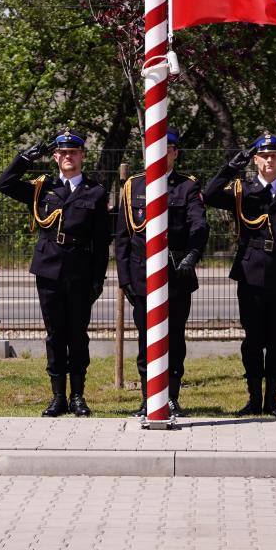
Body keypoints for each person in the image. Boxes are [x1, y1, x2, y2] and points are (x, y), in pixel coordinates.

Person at [0, 131, 111, 416]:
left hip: (80, 271)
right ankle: (58, 396)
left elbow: (101, 241)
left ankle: (79, 396)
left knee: (78, 335)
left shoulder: (95, 192)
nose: (68, 157)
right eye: (62, 152)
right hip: (49, 269)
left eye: (74, 152)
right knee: (55, 334)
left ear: (83, 155)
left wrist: (98, 278)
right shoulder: (42, 188)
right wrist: (25, 157)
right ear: (55, 157)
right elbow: (4, 184)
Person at [203, 132, 276, 417]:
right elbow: (209, 194)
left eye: (274, 155)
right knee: (252, 339)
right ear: (255, 159)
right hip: (250, 273)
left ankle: (272, 400)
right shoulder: (243, 189)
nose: (269, 160)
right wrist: (233, 165)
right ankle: (253, 399)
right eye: (263, 156)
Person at [114, 129, 209, 418]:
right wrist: (125, 281)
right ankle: (147, 398)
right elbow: (122, 238)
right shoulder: (133, 187)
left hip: (176, 277)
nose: (159, 153)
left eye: (166, 148)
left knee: (175, 340)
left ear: (175, 153)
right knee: (146, 341)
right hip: (142, 279)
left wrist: (192, 256)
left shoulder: (186, 187)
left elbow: (199, 226)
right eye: (154, 147)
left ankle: (172, 398)